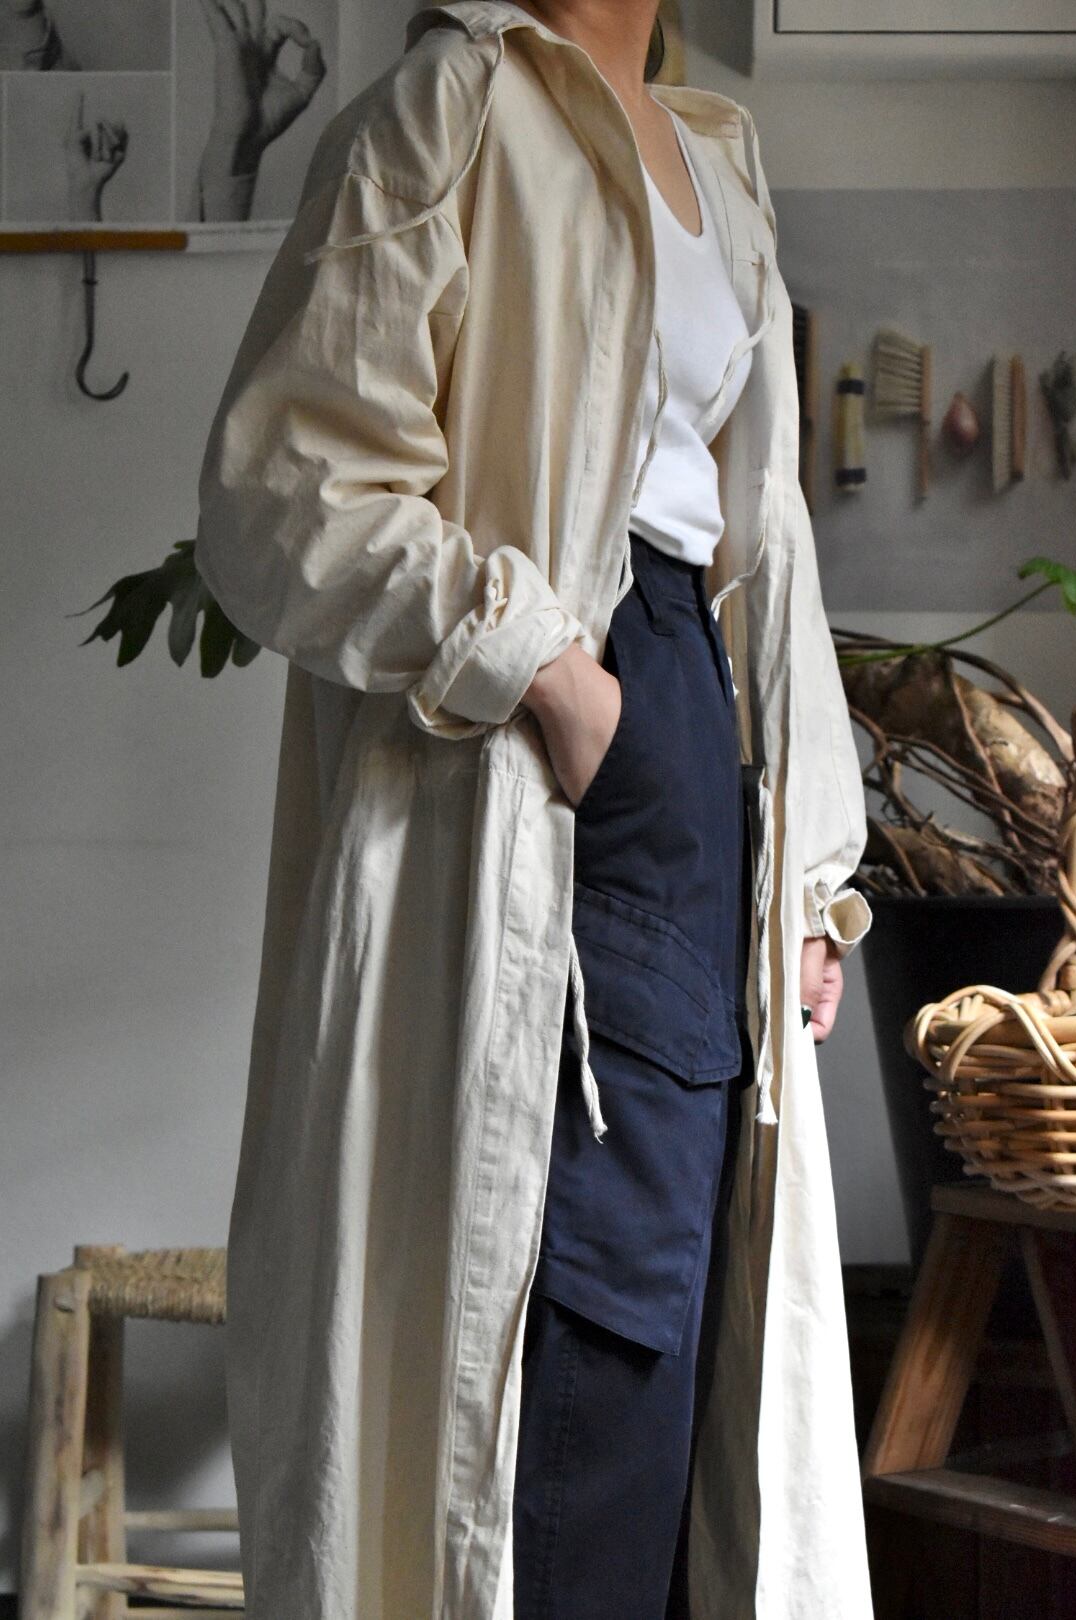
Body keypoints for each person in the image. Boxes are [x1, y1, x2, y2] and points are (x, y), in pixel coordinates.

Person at [194, 3, 874, 1617]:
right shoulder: (446, 109)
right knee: (571, 1355)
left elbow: (765, 540)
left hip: (696, 766)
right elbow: (284, 489)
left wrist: (805, 872)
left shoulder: (719, 159)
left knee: (674, 1358)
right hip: (555, 749)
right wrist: (555, 679)